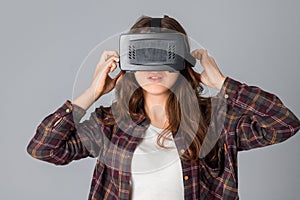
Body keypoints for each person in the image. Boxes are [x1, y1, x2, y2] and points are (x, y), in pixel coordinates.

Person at [27, 15, 300, 200]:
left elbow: (284, 124)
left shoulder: (217, 121)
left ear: (182, 62)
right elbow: (44, 149)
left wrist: (223, 83)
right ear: (131, 64)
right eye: (145, 55)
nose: (155, 68)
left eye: (165, 55)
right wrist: (91, 92)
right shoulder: (109, 125)